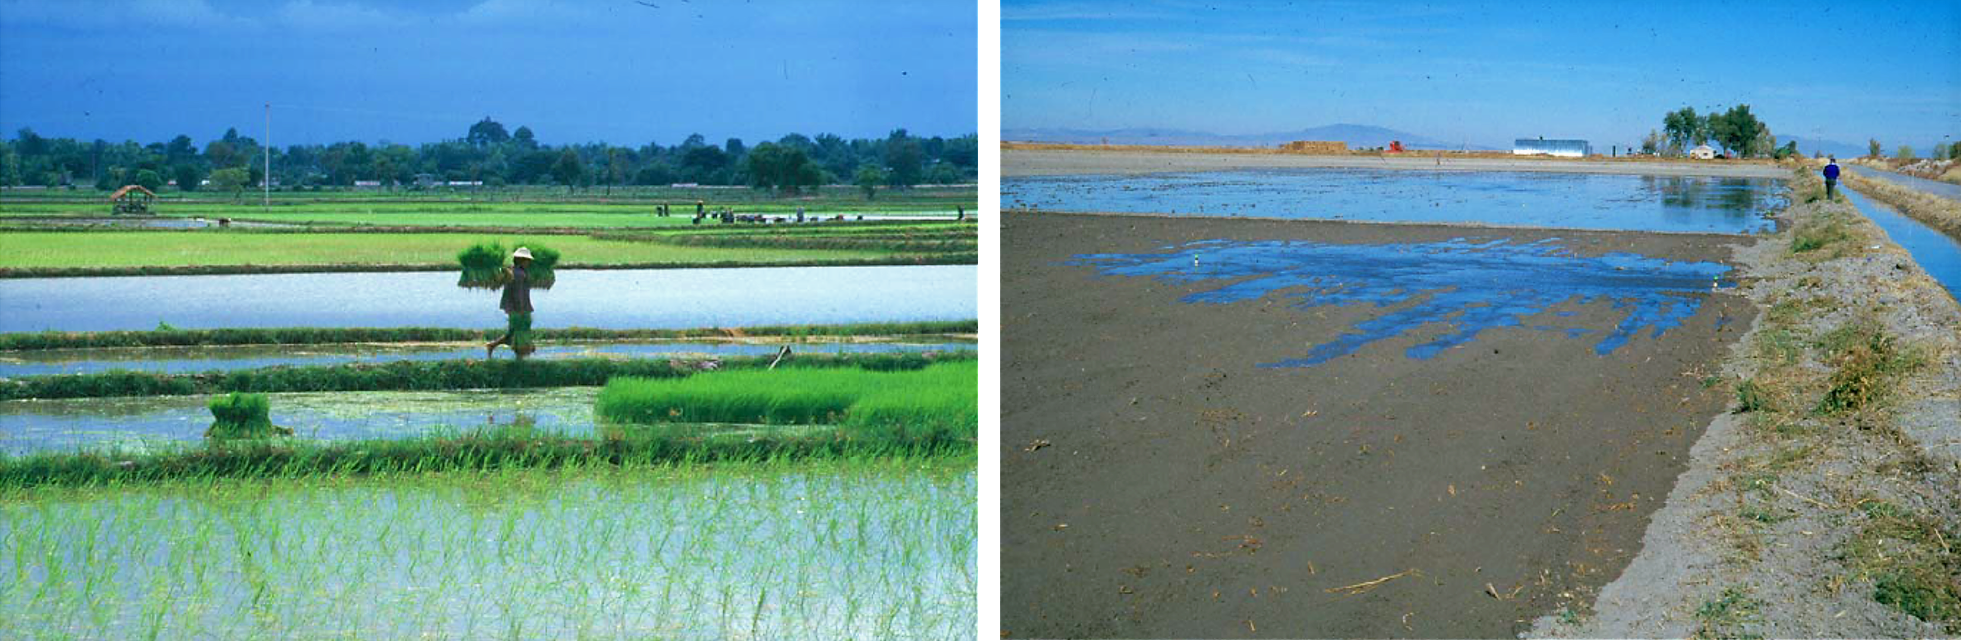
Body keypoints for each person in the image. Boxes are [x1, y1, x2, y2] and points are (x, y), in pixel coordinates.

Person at [485, 247, 536, 359]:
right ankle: (519, 356)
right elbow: (518, 293)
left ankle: (493, 345)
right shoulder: (518, 274)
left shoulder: (514, 271)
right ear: (521, 260)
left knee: (513, 332)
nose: (529, 263)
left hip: (513, 306)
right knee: (519, 331)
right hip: (517, 307)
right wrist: (521, 308)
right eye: (527, 260)